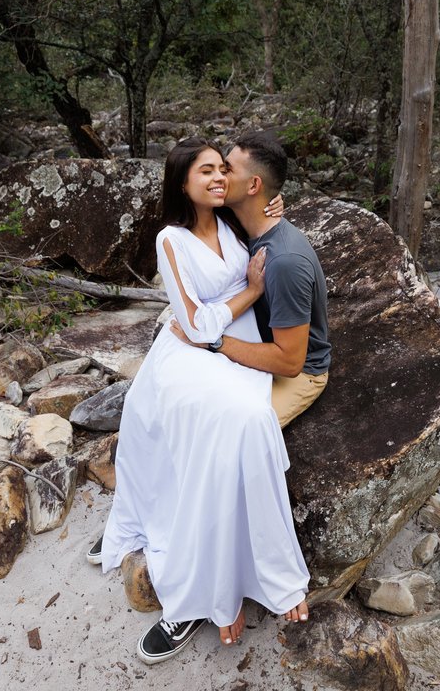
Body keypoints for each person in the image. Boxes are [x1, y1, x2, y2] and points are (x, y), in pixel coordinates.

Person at [97, 137, 311, 666]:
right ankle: (198, 591)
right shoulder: (171, 239)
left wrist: (273, 205)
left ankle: (262, 574)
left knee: (248, 423)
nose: (218, 178)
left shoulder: (233, 221)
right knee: (221, 427)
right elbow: (193, 325)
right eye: (206, 171)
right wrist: (250, 294)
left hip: (235, 344)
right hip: (193, 353)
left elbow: (261, 207)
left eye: (222, 169)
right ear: (182, 183)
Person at [172, 130, 331, 428]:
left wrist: (213, 342)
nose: (219, 178)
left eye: (227, 170)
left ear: (253, 185)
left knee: (228, 432)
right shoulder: (235, 222)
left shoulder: (284, 262)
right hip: (249, 342)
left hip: (294, 374)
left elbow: (290, 362)